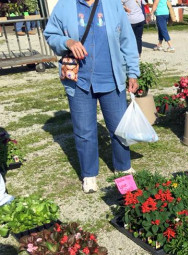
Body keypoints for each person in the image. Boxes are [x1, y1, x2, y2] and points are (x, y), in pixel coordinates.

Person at [44, 0, 139, 194]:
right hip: (79, 81)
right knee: (84, 130)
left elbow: (127, 40)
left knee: (119, 127)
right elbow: (50, 34)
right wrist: (67, 42)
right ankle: (89, 174)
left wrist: (132, 72)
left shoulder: (112, 5)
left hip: (111, 78)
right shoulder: (65, 6)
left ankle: (123, 166)